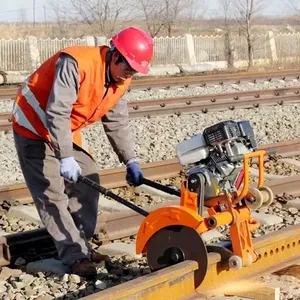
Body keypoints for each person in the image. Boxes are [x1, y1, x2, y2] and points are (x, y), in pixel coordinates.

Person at [11, 26, 154, 278]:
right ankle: (74, 255)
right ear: (115, 54)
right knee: (51, 193)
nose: (129, 74)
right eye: (128, 67)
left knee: (89, 179)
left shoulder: (121, 79)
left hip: (64, 128)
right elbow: (57, 111)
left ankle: (81, 246)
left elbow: (117, 122)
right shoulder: (76, 63)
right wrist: (65, 156)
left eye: (134, 71)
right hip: (33, 124)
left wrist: (130, 159)